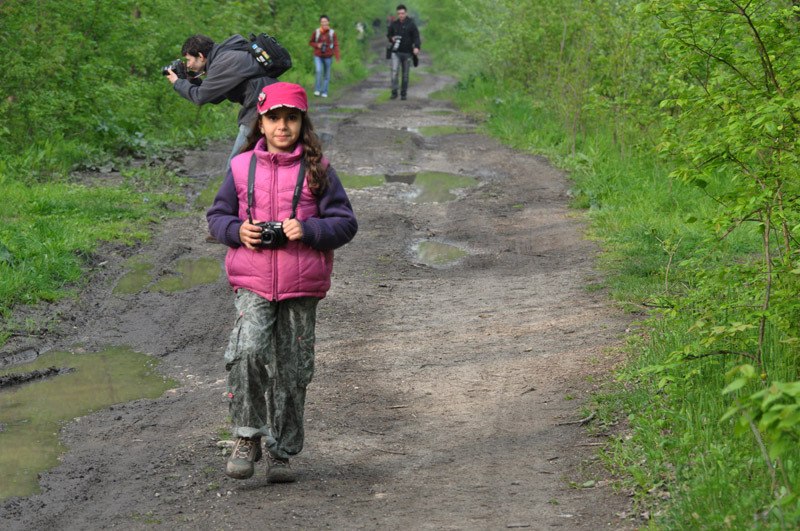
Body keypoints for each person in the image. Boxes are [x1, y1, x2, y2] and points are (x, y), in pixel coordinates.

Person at [206, 82, 358, 483]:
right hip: (252, 281)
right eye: (273, 118)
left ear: (302, 123)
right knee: (247, 352)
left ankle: (282, 451)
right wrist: (237, 231)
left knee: (292, 369)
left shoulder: (319, 170)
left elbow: (345, 224)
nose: (282, 126)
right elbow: (217, 216)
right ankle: (247, 435)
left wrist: (308, 229)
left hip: (301, 284)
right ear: (260, 122)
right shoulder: (241, 167)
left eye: (291, 118)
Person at [166, 34, 277, 169]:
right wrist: (188, 79)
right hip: (270, 103)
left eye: (188, 60)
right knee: (263, 160)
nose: (188, 65)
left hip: (260, 108)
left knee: (236, 165)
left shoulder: (224, 61)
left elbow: (200, 97)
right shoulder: (227, 55)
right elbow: (215, 96)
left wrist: (178, 83)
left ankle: (235, 184)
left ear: (200, 56)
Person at [387, 4, 420, 100]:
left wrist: (416, 47)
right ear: (397, 14)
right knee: (394, 72)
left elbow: (416, 37)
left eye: (402, 13)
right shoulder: (394, 24)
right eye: (399, 14)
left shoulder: (411, 24)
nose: (401, 15)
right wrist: (392, 39)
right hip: (396, 52)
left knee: (405, 74)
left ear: (406, 13)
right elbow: (389, 35)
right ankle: (394, 92)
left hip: (408, 52)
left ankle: (403, 93)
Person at [309, 15, 340, 98]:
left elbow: (336, 45)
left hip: (328, 56)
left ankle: (325, 91)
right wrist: (317, 45)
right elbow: (311, 42)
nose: (324, 23)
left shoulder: (332, 33)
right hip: (318, 55)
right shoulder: (317, 32)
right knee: (318, 71)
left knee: (326, 74)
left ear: (328, 22)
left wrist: (337, 56)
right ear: (320, 23)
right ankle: (317, 90)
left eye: (325, 21)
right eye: (322, 22)